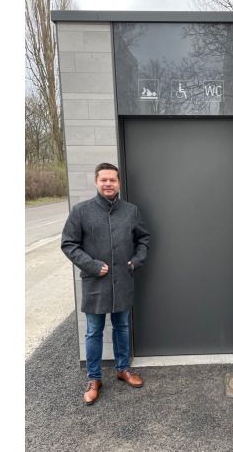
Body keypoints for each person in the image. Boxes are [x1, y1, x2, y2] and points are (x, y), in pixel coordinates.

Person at [61, 163, 150, 405]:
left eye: (112, 180)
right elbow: (69, 244)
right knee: (93, 332)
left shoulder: (131, 211)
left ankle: (123, 369)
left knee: (121, 327)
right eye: (104, 180)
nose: (108, 184)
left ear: (119, 183)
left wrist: (135, 261)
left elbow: (143, 238)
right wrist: (90, 265)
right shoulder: (81, 211)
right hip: (95, 284)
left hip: (123, 280)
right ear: (96, 182)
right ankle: (94, 378)